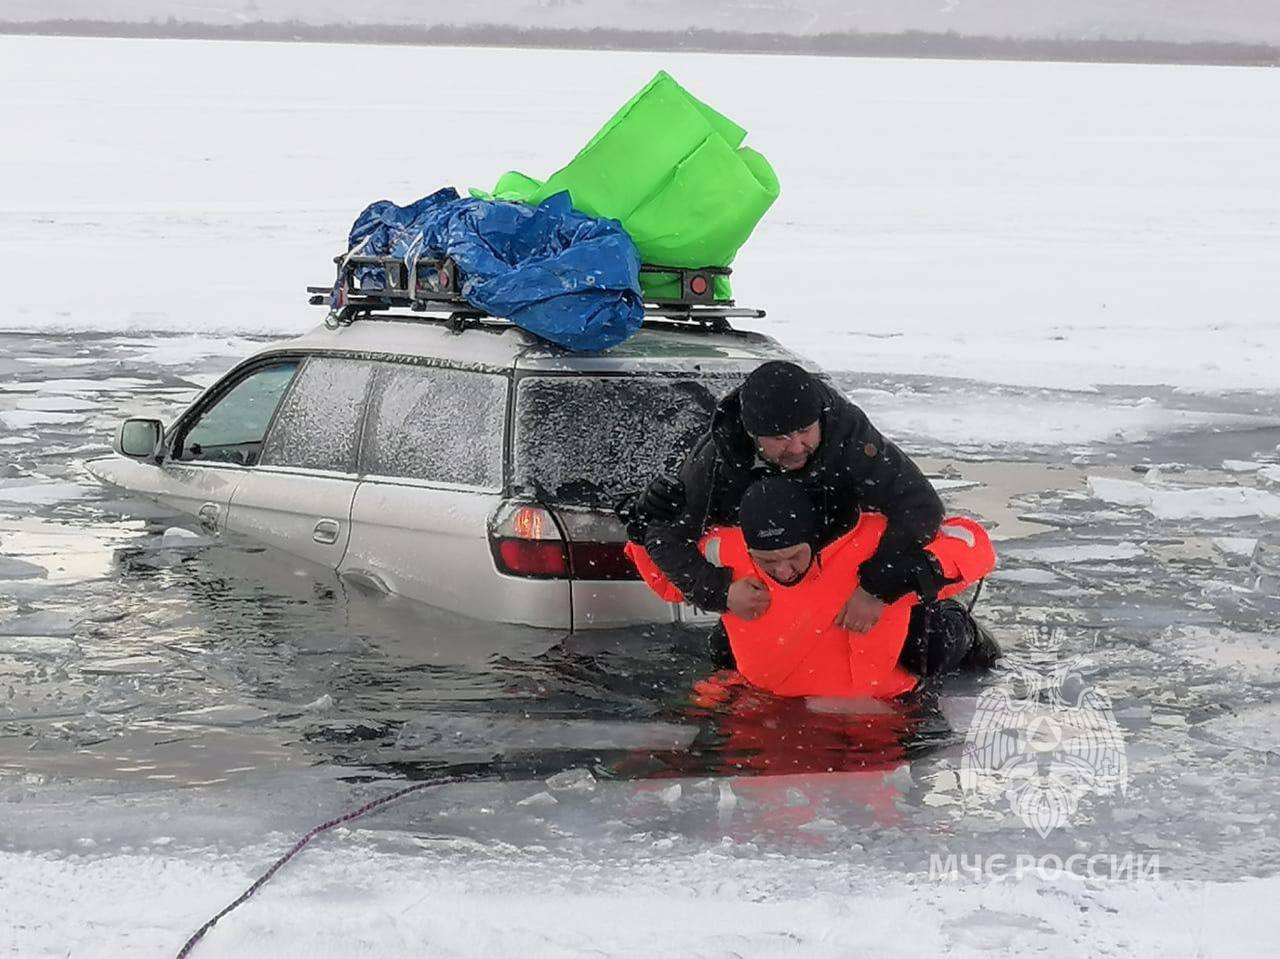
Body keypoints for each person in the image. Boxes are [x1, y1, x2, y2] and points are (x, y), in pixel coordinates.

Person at [628, 360, 947, 631]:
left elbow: (920, 506)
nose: (795, 447)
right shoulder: (720, 457)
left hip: (847, 596)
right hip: (768, 611)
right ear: (753, 436)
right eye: (779, 438)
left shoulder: (849, 437)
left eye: (804, 431)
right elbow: (665, 536)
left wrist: (876, 587)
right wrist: (721, 592)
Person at [626, 476, 1001, 699]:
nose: (783, 570)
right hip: (775, 711)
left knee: (937, 637)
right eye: (767, 561)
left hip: (887, 708)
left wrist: (903, 574)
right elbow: (666, 581)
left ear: (815, 538)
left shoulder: (874, 541)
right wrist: (643, 529)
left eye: (793, 556)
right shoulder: (727, 550)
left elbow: (973, 542)